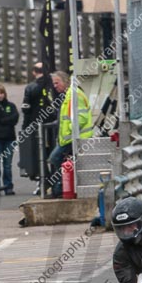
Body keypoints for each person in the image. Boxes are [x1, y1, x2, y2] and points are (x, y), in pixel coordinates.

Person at [48, 71, 92, 199]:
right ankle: (62, 188)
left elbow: (81, 118)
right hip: (69, 138)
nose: (55, 86)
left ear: (65, 81)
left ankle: (61, 188)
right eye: (53, 83)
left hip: (75, 137)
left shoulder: (74, 95)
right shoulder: (69, 95)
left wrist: (70, 131)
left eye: (57, 83)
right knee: (60, 160)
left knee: (55, 158)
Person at [20, 63, 56, 188]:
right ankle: (53, 179)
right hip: (54, 124)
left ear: (34, 72)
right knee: (52, 151)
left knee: (39, 153)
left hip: (37, 125)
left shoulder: (31, 87)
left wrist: (25, 128)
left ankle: (43, 178)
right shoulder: (54, 84)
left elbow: (26, 109)